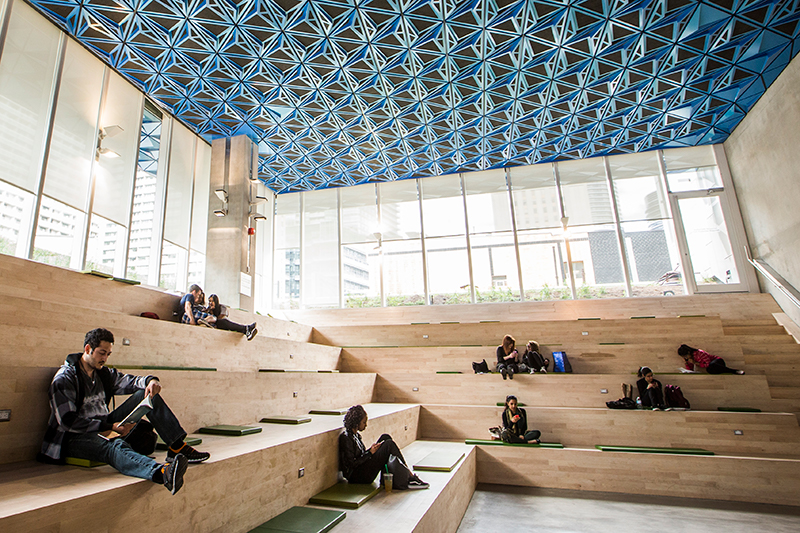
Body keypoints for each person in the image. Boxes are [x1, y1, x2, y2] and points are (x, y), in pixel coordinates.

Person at [38, 328, 210, 495]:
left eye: (108, 354)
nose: (104, 358)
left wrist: (151, 381)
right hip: (73, 438)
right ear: (88, 349)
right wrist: (108, 426)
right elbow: (67, 421)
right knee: (113, 445)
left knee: (149, 395)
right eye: (101, 353)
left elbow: (130, 381)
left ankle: (177, 447)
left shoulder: (102, 374)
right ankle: (163, 473)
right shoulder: (65, 378)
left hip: (103, 427)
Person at [338, 405, 428, 489]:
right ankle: (410, 476)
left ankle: (392, 477)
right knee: (388, 444)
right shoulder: (346, 438)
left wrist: (371, 450)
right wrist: (370, 453)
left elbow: (360, 456)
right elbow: (351, 464)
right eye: (364, 422)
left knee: (385, 437)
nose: (366, 425)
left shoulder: (356, 435)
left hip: (361, 470)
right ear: (357, 423)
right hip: (357, 477)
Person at [678, 344, 745, 375]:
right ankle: (727, 371)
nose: (685, 357)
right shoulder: (689, 359)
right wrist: (687, 363)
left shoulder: (699, 353)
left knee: (712, 365)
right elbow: (690, 369)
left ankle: (734, 371)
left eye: (685, 356)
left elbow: (707, 363)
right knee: (710, 370)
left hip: (717, 361)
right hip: (711, 367)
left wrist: (697, 363)